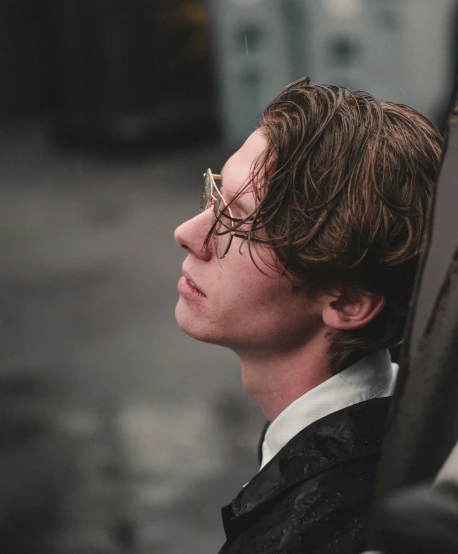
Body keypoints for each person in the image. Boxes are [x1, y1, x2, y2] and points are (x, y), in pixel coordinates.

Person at [174, 77, 442, 554]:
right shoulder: (408, 418)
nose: (189, 234)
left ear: (347, 304)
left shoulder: (318, 531)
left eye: (241, 223)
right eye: (216, 196)